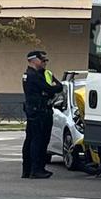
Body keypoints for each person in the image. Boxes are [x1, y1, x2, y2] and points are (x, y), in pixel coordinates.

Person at [22, 50, 60, 178]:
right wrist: (55, 89)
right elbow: (49, 89)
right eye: (42, 60)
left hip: (35, 110)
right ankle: (36, 170)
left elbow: (53, 87)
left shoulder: (35, 74)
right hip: (39, 111)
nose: (44, 62)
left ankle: (27, 170)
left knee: (31, 140)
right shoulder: (33, 75)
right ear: (33, 60)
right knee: (39, 141)